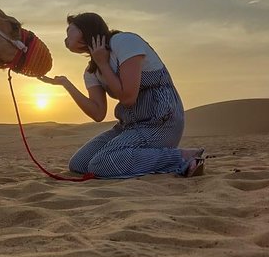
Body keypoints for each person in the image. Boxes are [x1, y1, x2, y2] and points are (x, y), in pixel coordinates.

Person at [38, 13, 205, 178]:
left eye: (69, 30)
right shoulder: (92, 71)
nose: (65, 38)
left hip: (161, 121)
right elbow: (98, 113)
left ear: (85, 28)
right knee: (79, 164)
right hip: (129, 126)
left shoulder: (124, 42)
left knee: (101, 163)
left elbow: (128, 98)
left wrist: (104, 64)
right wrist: (66, 84)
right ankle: (145, 158)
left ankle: (182, 158)